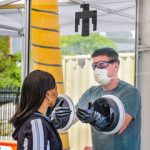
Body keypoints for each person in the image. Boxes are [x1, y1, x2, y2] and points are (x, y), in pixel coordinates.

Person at [76, 47, 141, 150]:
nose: (97, 70)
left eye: (102, 65)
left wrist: (96, 117)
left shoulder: (130, 92)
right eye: (95, 66)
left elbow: (119, 127)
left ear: (116, 66)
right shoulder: (92, 92)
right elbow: (75, 115)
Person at [9, 70, 71, 150]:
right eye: (55, 88)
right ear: (48, 95)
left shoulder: (34, 121)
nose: (57, 93)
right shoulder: (36, 123)